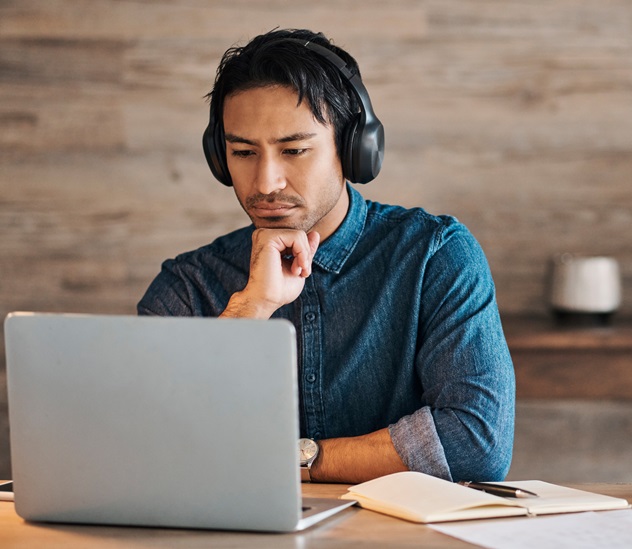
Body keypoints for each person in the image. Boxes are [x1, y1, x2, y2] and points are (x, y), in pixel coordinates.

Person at [137, 28, 515, 484]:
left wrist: (296, 458)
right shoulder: (187, 285)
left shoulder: (435, 256)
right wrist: (250, 309)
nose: (265, 183)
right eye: (242, 152)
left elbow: (477, 443)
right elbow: (151, 444)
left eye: (294, 150)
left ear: (355, 147)